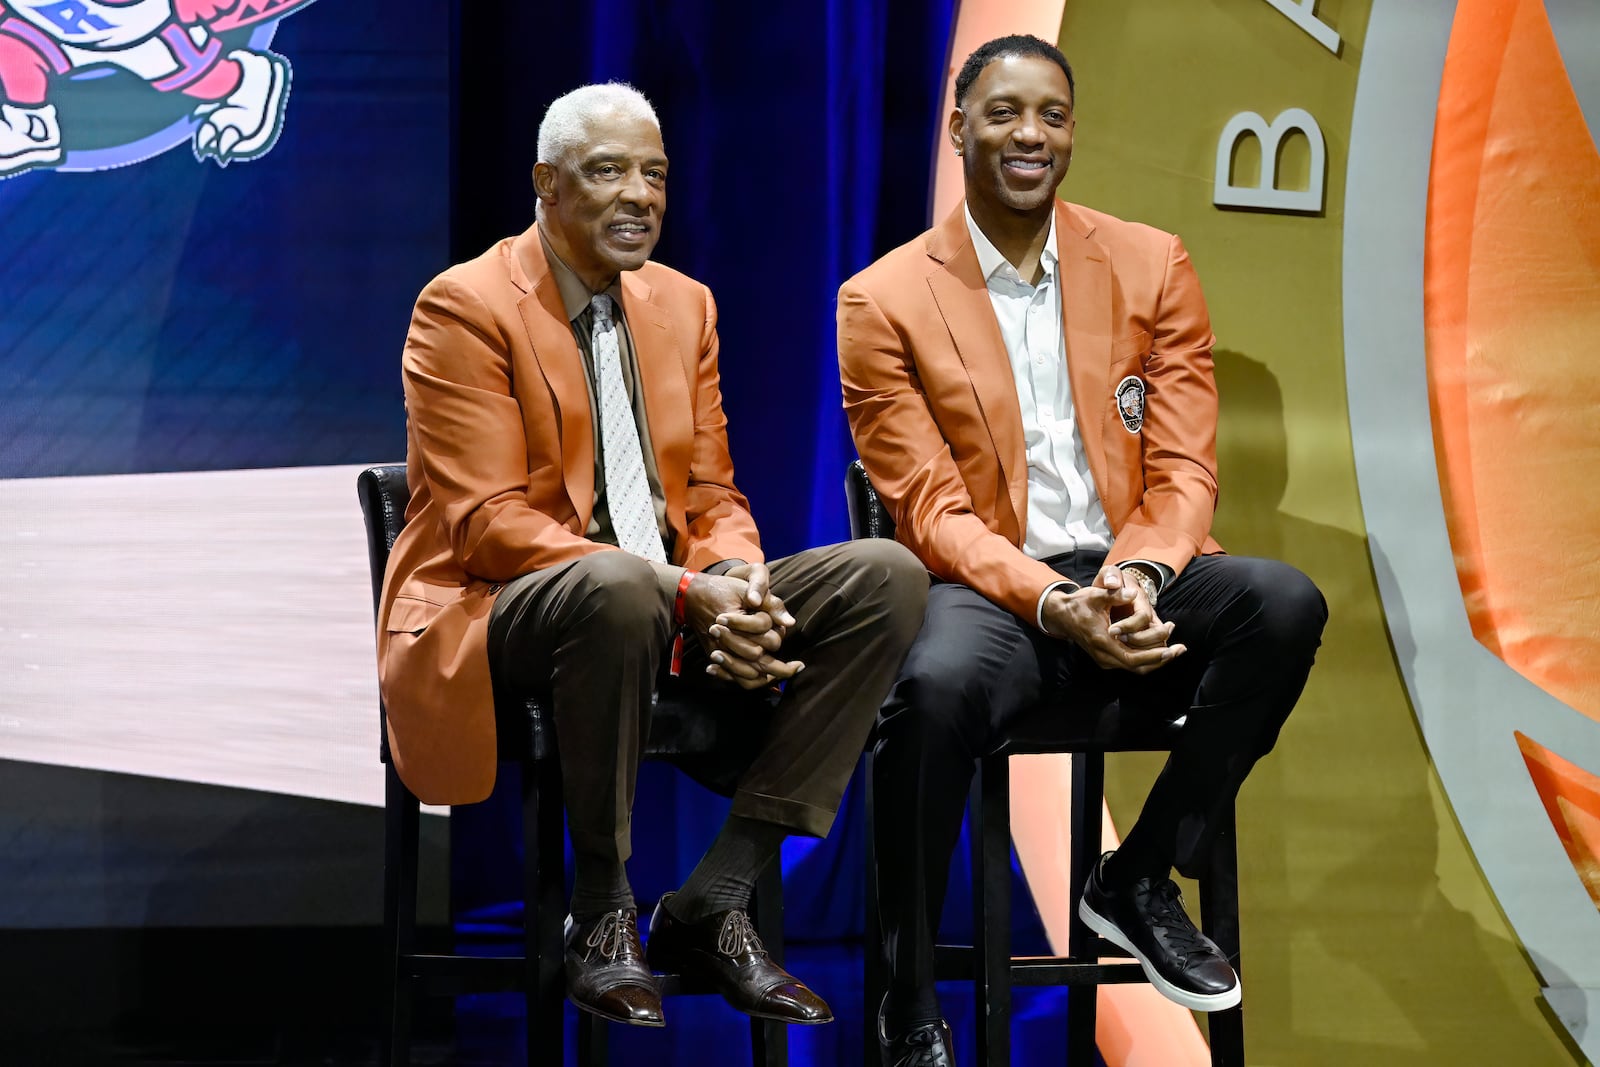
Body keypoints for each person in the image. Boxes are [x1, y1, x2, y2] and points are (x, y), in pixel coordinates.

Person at [379, 81, 927, 1031]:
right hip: (502, 609)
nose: (640, 194)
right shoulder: (463, 306)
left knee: (888, 575)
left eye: (655, 174)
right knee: (618, 582)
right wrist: (681, 591)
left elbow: (709, 492)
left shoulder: (684, 305)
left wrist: (735, 582)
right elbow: (487, 523)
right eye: (609, 172)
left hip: (657, 599)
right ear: (547, 185)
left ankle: (716, 897)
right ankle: (600, 911)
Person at [837, 35, 1327, 1066]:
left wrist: (1135, 577)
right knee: (927, 696)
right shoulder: (881, 300)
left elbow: (1184, 469)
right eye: (1005, 111)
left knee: (1281, 603)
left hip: (1125, 564)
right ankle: (907, 989)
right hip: (989, 583)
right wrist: (1053, 604)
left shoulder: (1150, 262)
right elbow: (930, 510)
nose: (1030, 134)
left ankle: (1137, 875)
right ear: (958, 125)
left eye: (1051, 114)